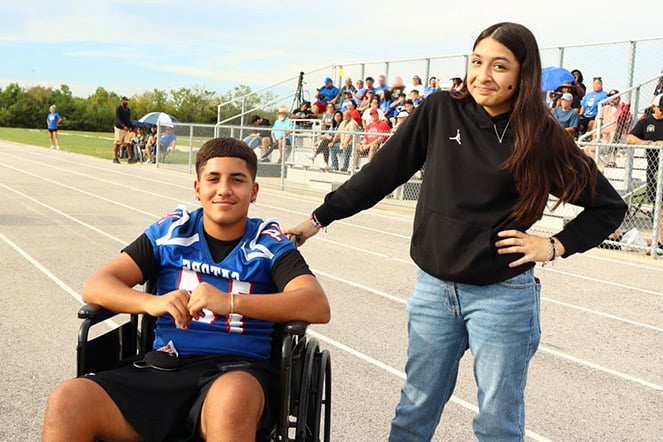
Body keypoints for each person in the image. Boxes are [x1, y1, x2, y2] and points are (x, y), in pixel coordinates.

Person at [286, 22, 626, 441]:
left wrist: (553, 246)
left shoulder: (541, 136)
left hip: (502, 296)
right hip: (433, 291)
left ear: (523, 74)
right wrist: (318, 220)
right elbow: (380, 174)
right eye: (477, 61)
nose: (483, 75)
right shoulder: (440, 109)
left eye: (499, 66)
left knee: (497, 422)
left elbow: (609, 207)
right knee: (414, 410)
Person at [42, 137, 330, 442]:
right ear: (197, 188)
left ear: (254, 191)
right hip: (163, 366)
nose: (224, 189)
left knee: (232, 397)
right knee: (69, 399)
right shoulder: (171, 232)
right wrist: (151, 303)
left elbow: (315, 305)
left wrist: (231, 302)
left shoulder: (268, 242)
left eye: (237, 180)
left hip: (236, 373)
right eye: (213, 179)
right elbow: (97, 286)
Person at [626, 93, 663, 253]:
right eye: (661, 108)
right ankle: (660, 241)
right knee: (658, 205)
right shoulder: (646, 122)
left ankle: (660, 241)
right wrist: (649, 143)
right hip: (654, 170)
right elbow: (629, 138)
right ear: (654, 106)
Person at [113, 96, 136, 164]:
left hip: (126, 129)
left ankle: (130, 158)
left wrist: (132, 127)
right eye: (124, 101)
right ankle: (115, 157)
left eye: (127, 101)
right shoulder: (118, 109)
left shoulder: (128, 110)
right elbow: (118, 119)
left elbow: (128, 120)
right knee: (117, 143)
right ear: (121, 101)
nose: (126, 102)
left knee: (128, 143)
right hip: (119, 128)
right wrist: (123, 126)